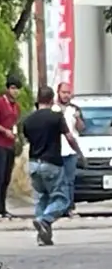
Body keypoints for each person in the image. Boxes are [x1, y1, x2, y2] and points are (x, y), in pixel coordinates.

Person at [21, 86, 84, 246]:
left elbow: (27, 139)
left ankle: (42, 236)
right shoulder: (56, 117)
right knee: (62, 199)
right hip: (52, 163)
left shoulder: (28, 120)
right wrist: (79, 153)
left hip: (34, 163)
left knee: (42, 197)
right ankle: (44, 220)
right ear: (52, 99)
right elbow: (69, 137)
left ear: (38, 100)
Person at [0, 76, 22, 219]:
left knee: (6, 177)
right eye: (12, 88)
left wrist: (15, 134)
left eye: (17, 89)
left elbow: (14, 123)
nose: (15, 92)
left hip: (9, 144)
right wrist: (2, 130)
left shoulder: (16, 107)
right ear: (7, 89)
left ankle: (3, 207)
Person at [54, 82, 84, 216]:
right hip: (56, 149)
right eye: (63, 92)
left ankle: (69, 206)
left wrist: (78, 119)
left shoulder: (75, 109)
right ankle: (59, 207)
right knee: (58, 181)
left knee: (69, 180)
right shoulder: (53, 108)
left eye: (68, 92)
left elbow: (82, 128)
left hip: (71, 150)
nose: (66, 95)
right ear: (58, 93)